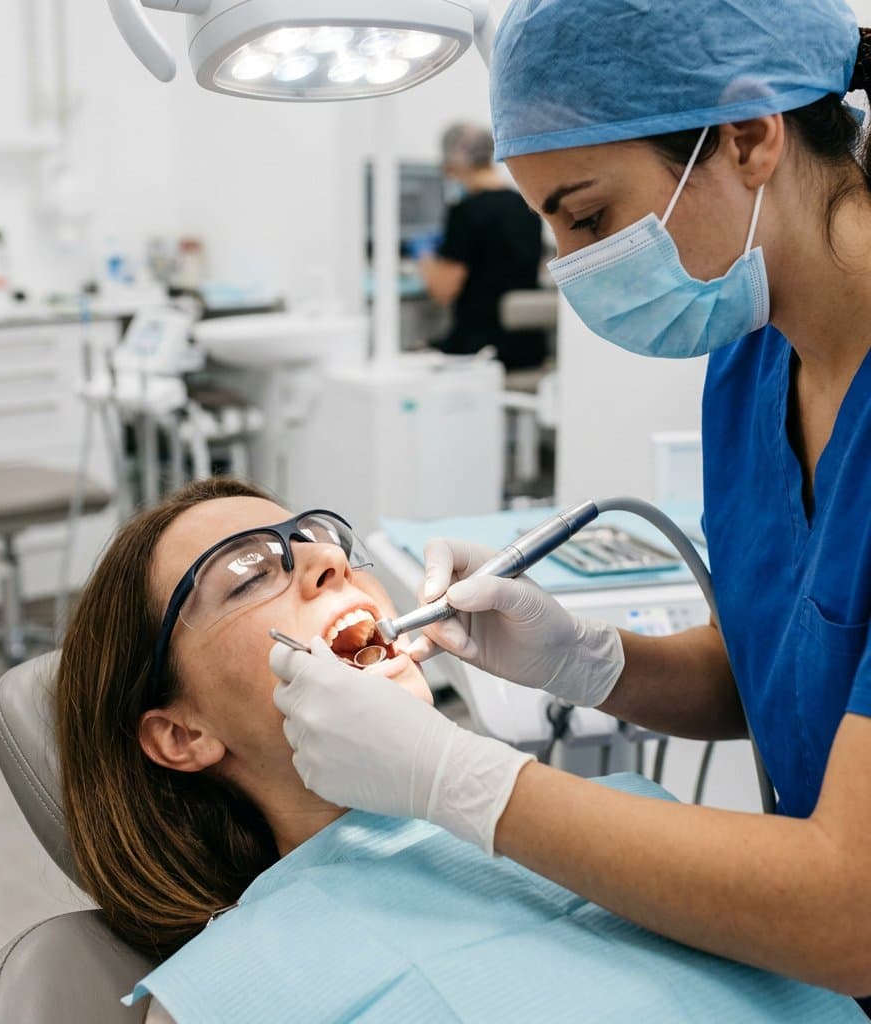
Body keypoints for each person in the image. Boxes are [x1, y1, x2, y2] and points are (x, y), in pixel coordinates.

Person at [271, 0, 871, 1014]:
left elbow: (852, 909)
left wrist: (458, 780)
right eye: (549, 222)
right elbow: (778, 675)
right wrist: (587, 661)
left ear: (747, 137)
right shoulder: (748, 363)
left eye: (586, 215)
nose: (569, 263)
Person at [54, 479, 858, 1024]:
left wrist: (587, 662)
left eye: (315, 538)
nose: (326, 560)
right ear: (182, 734)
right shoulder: (225, 995)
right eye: (244, 576)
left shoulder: (626, 819)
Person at [419, 122, 548, 370]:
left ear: (451, 164)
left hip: (481, 348)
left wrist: (424, 257)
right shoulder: (526, 205)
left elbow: (443, 291)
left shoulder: (467, 211)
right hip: (528, 348)